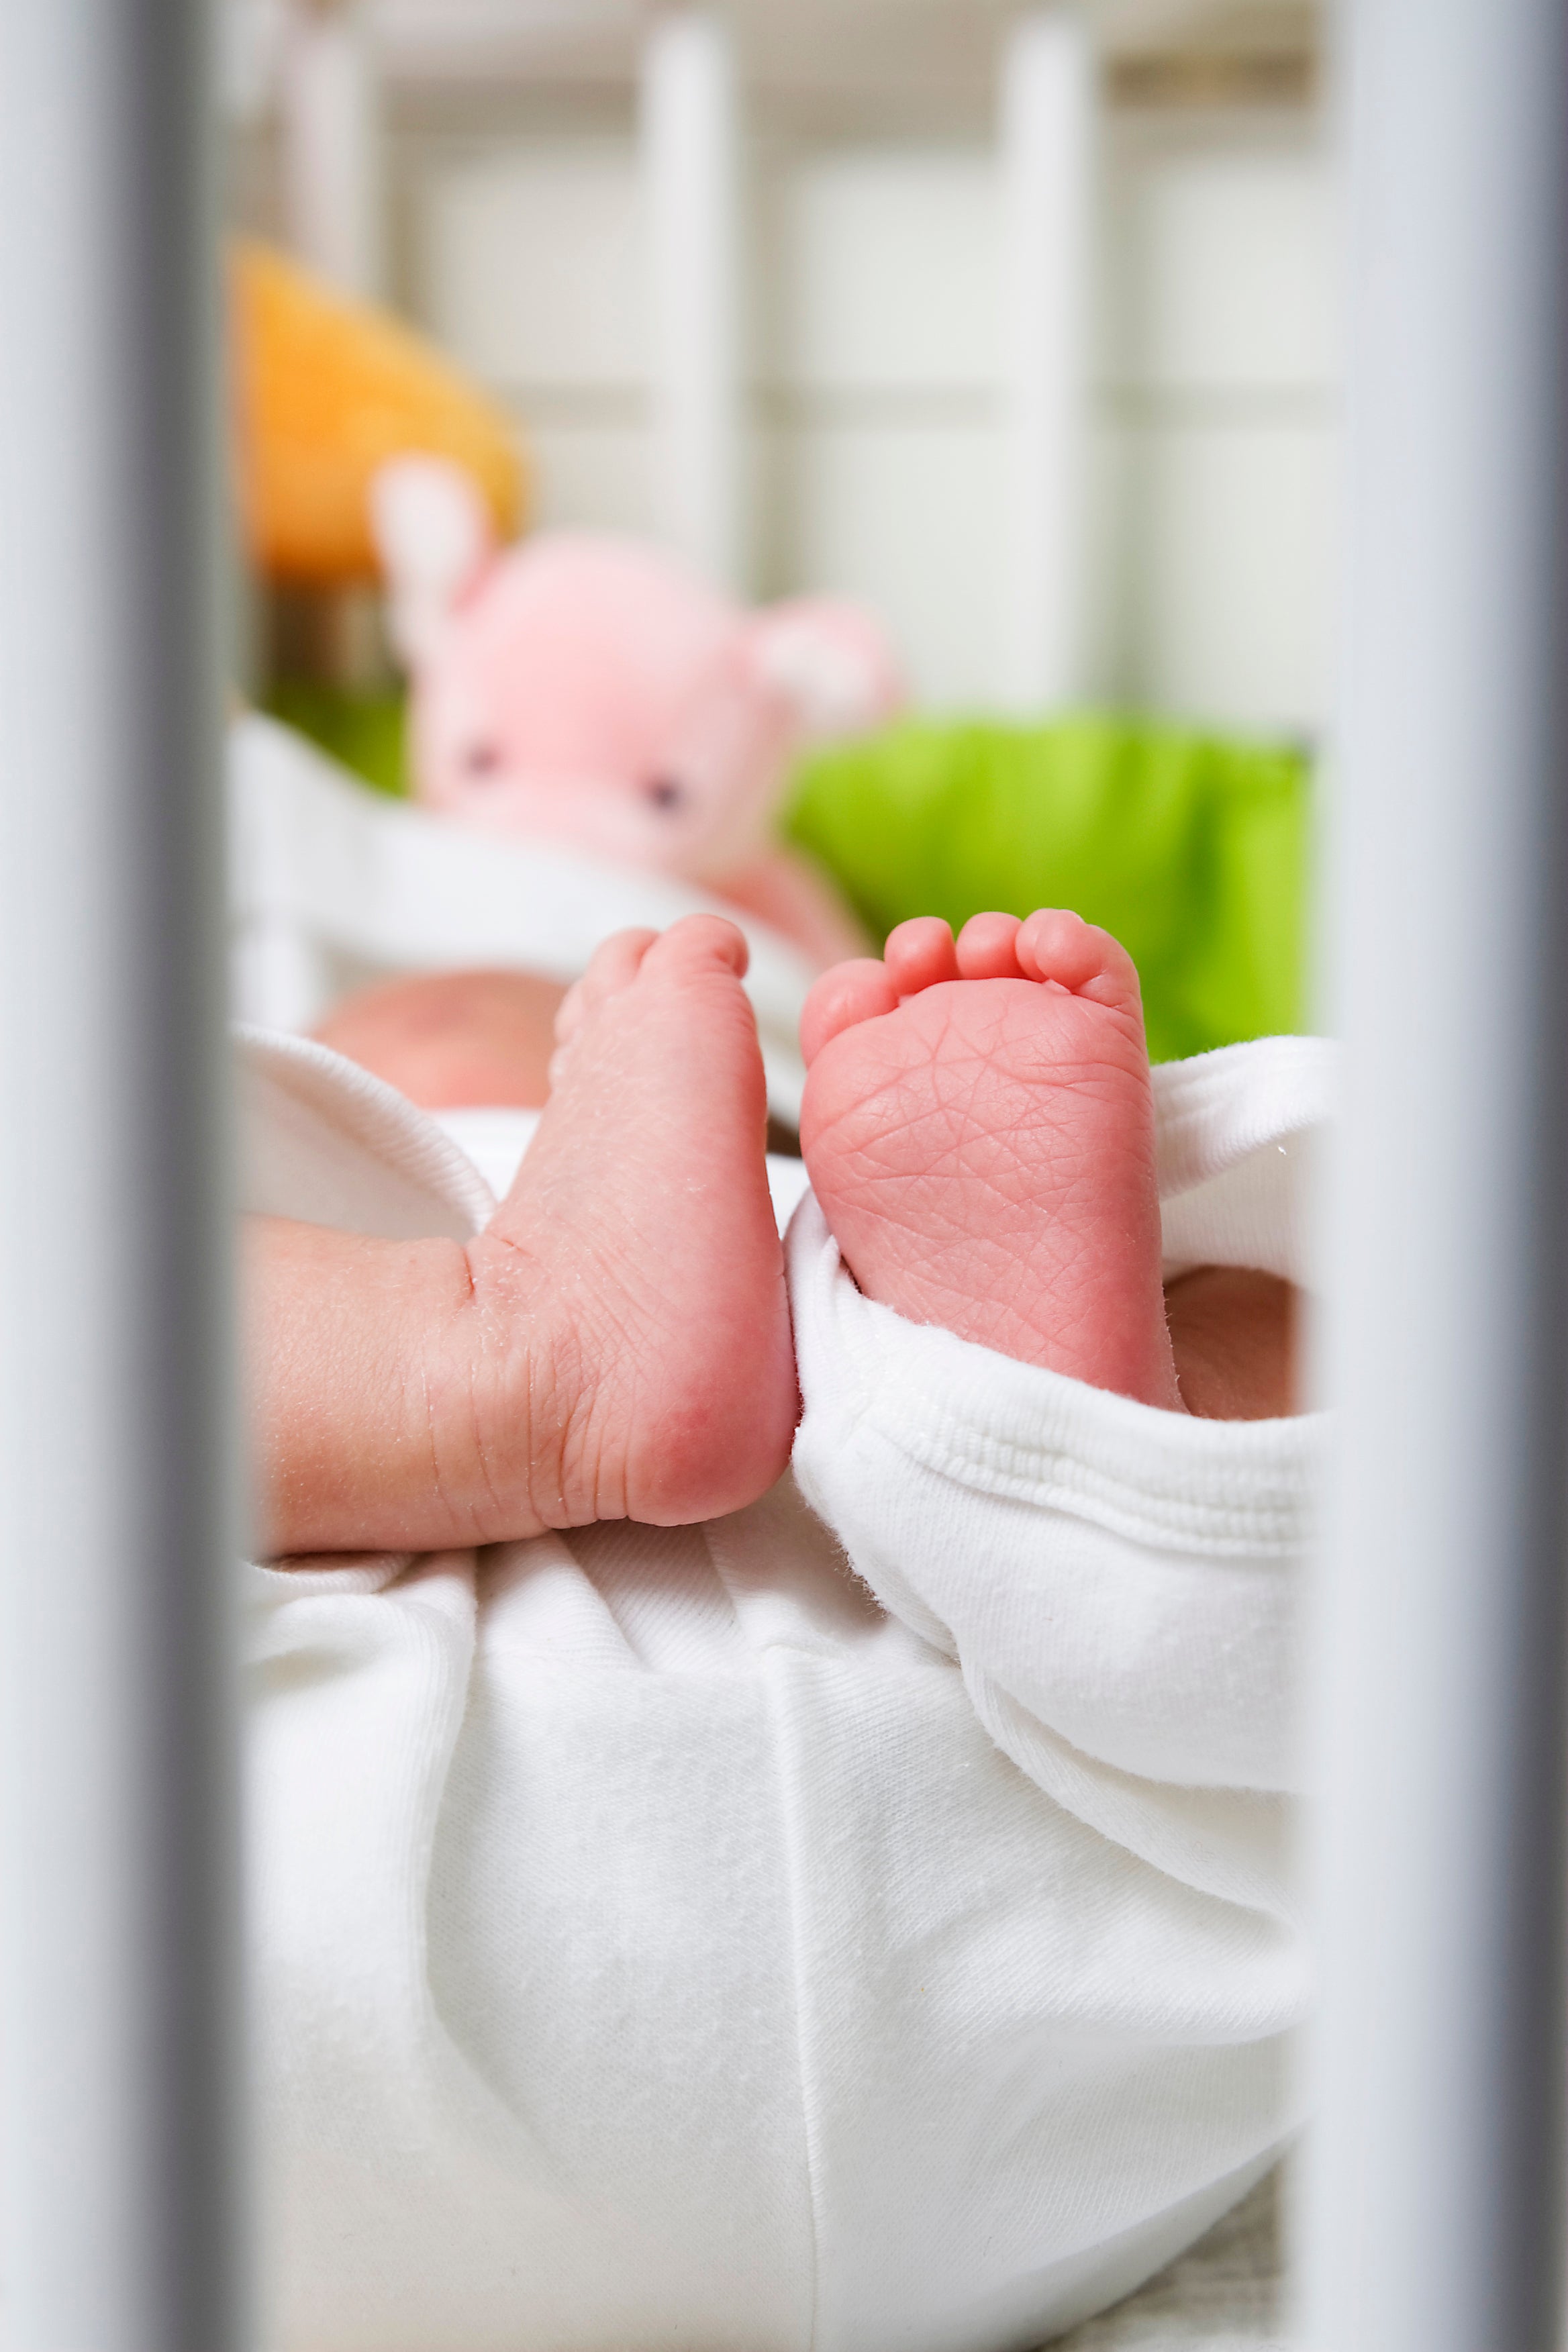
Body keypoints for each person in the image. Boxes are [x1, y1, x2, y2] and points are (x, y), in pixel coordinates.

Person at [241, 909, 1322, 2350]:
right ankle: (1088, 1436)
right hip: (1082, 2058)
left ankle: (509, 1349)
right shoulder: (770, 1225)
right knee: (1330, 1385)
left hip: (296, 2049)